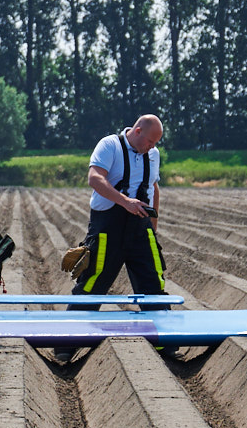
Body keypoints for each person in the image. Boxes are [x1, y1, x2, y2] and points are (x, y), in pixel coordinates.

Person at [65, 113, 170, 313]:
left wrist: (152, 226)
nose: (153, 147)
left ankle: (162, 334)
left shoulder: (153, 154)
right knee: (91, 286)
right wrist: (125, 202)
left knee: (154, 287)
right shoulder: (110, 146)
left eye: (156, 143)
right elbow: (95, 178)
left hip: (141, 231)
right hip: (107, 231)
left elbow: (153, 187)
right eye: (150, 141)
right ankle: (72, 333)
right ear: (137, 131)